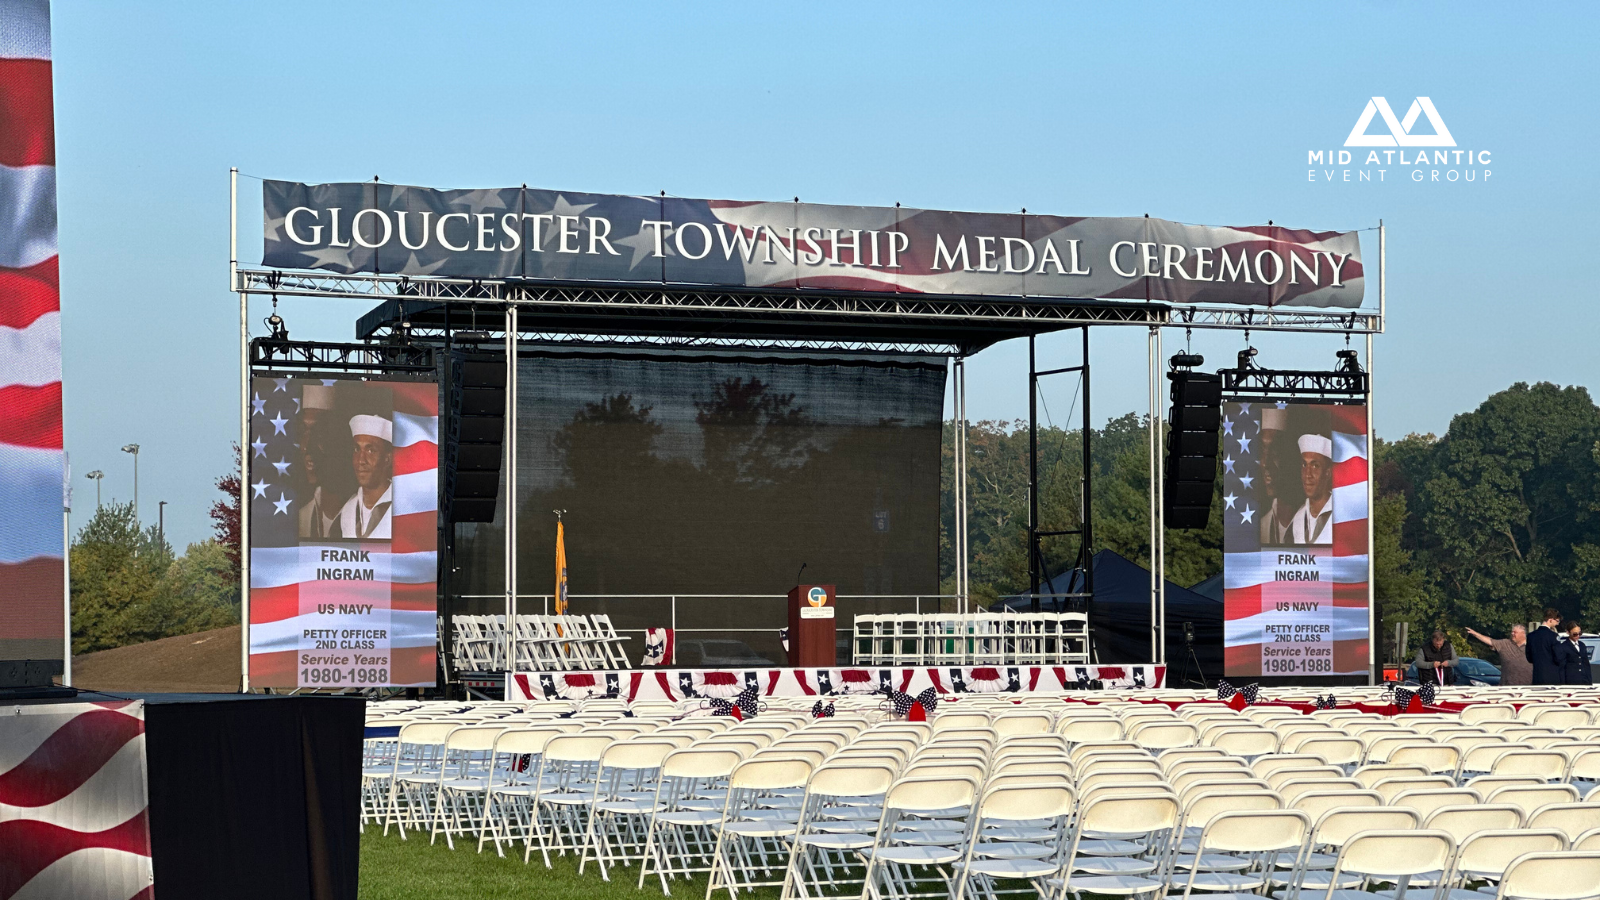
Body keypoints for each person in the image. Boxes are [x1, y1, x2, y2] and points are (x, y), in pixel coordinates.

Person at [296, 384, 344, 539]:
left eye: (319, 432)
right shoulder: (302, 517)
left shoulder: (365, 513)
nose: (307, 447)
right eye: (304, 431)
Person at [337, 413, 394, 540]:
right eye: (356, 450)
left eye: (370, 451)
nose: (360, 460)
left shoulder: (402, 507)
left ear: (387, 459)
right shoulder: (348, 510)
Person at [1258, 408, 1297, 544]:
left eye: (1275, 452)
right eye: (1263, 450)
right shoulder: (1261, 527)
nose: (1265, 464)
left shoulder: (1316, 525)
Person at [1289, 433, 1335, 545]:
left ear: (1327, 473)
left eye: (1315, 466)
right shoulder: (1297, 519)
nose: (1307, 475)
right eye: (1304, 465)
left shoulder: (1340, 514)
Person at [1465, 624, 1532, 686]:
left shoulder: (1533, 646)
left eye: (1515, 632)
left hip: (1528, 686)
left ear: (1523, 634)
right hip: (1507, 686)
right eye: (1512, 632)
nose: (1512, 634)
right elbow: (1490, 641)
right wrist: (1475, 633)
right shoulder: (1505, 644)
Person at [1526, 608, 1564, 686]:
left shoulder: (1531, 636)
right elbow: (1559, 657)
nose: (1557, 624)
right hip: (1552, 676)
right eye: (1557, 621)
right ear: (1550, 620)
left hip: (1537, 675)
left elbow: (1529, 658)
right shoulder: (1553, 636)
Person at [1556, 621, 1593, 686]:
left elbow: (1586, 664)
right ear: (1568, 632)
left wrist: (1589, 680)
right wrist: (1562, 684)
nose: (1578, 636)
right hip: (1571, 681)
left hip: (1584, 680)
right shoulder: (1563, 646)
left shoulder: (1582, 645)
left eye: (1580, 633)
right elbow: (1562, 667)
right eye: (1575, 634)